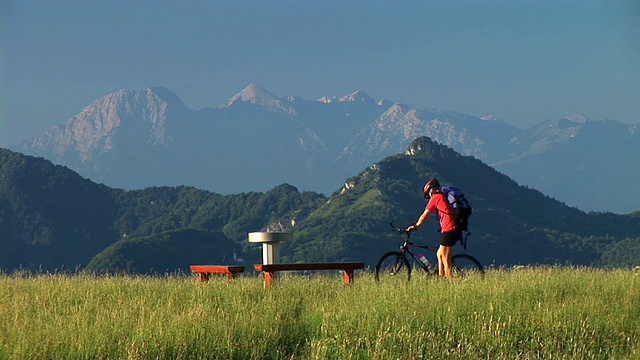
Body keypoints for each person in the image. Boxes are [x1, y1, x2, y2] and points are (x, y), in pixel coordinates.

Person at [407, 178, 462, 277]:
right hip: (453, 228)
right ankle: (441, 277)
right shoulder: (443, 196)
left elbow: (425, 214)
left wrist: (416, 226)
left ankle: (451, 282)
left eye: (428, 194)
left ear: (431, 190)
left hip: (449, 228)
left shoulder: (436, 197)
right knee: (439, 254)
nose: (429, 196)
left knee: (445, 258)